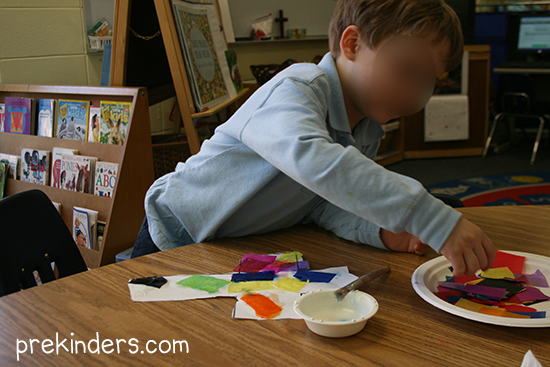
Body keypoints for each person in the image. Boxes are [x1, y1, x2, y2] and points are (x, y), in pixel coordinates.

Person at [133, 0, 495, 277]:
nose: (415, 92)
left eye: (428, 80)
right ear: (352, 43)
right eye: (406, 69)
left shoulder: (367, 130)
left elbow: (325, 205)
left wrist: (381, 231)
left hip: (229, 251)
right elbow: (312, 159)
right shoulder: (299, 86)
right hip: (175, 233)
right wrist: (430, 217)